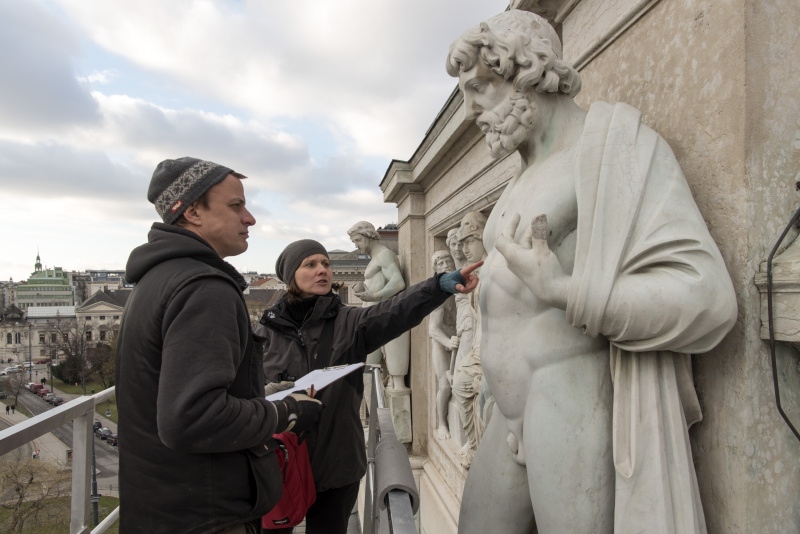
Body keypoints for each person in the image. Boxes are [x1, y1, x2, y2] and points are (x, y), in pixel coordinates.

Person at [446, 10, 737, 534]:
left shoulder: (617, 152)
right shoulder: (522, 175)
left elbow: (708, 296)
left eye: (480, 87)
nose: (470, 110)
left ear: (529, 72)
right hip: (505, 411)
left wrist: (563, 289)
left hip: (570, 404)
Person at [115, 157, 323, 534]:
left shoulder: (157, 280)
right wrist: (286, 413)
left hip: (162, 508)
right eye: (235, 206)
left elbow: (178, 390)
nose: (250, 218)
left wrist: (266, 395)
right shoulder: (204, 288)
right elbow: (192, 418)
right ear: (192, 212)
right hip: (208, 515)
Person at [257, 239, 481, 534]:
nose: (322, 270)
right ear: (290, 277)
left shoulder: (350, 322)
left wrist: (438, 286)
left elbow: (396, 310)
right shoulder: (263, 333)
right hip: (280, 462)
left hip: (337, 465)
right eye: (310, 265)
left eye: (325, 263)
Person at [348, 221, 409, 392]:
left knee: (368, 372)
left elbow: (398, 282)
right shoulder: (376, 258)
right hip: (372, 319)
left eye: (358, 240)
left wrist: (373, 296)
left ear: (368, 235)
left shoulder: (384, 255)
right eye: (354, 242)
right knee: (367, 371)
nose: (357, 245)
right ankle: (377, 416)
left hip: (379, 319)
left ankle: (378, 416)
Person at [427, 250, 458, 440]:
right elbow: (433, 328)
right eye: (440, 264)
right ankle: (442, 423)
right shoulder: (440, 295)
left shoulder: (461, 286)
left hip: (458, 339)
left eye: (448, 262)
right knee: (445, 386)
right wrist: (447, 341)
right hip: (441, 342)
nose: (445, 265)